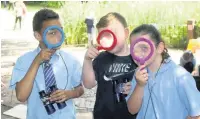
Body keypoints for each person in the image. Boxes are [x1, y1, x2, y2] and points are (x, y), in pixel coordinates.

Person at [9, 9, 84, 119]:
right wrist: (36, 61)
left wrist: (69, 94)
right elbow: (21, 96)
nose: (58, 36)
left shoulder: (71, 60)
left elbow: (80, 89)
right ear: (38, 36)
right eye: (52, 33)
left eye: (60, 31)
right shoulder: (24, 61)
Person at [127, 24, 200, 119]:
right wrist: (139, 85)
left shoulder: (180, 76)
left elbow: (196, 114)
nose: (139, 54)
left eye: (144, 48)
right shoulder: (138, 74)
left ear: (160, 48)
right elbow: (132, 110)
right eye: (134, 49)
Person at [82, 12, 137, 119]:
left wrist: (136, 86)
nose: (108, 39)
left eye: (112, 33)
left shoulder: (137, 59)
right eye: (104, 36)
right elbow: (89, 84)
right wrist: (87, 60)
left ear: (126, 33)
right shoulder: (101, 58)